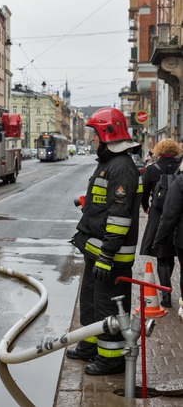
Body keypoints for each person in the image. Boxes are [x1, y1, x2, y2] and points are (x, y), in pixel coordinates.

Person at [67, 107, 143, 376]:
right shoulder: (109, 164)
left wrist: (107, 256)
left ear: (106, 134)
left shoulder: (121, 168)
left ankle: (111, 359)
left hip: (111, 258)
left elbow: (119, 218)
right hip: (96, 252)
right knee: (90, 302)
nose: (92, 140)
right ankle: (90, 346)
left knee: (108, 307)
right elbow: (106, 204)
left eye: (95, 135)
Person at [139, 138, 181, 307]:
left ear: (158, 150)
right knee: (170, 254)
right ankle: (167, 289)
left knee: (161, 255)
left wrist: (145, 207)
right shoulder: (181, 168)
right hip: (177, 215)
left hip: (158, 216)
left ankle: (166, 293)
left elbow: (144, 193)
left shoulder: (151, 170)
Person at [153, 159, 183, 321]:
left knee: (165, 259)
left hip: (178, 233)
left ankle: (169, 296)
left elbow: (170, 213)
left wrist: (158, 237)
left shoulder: (179, 181)